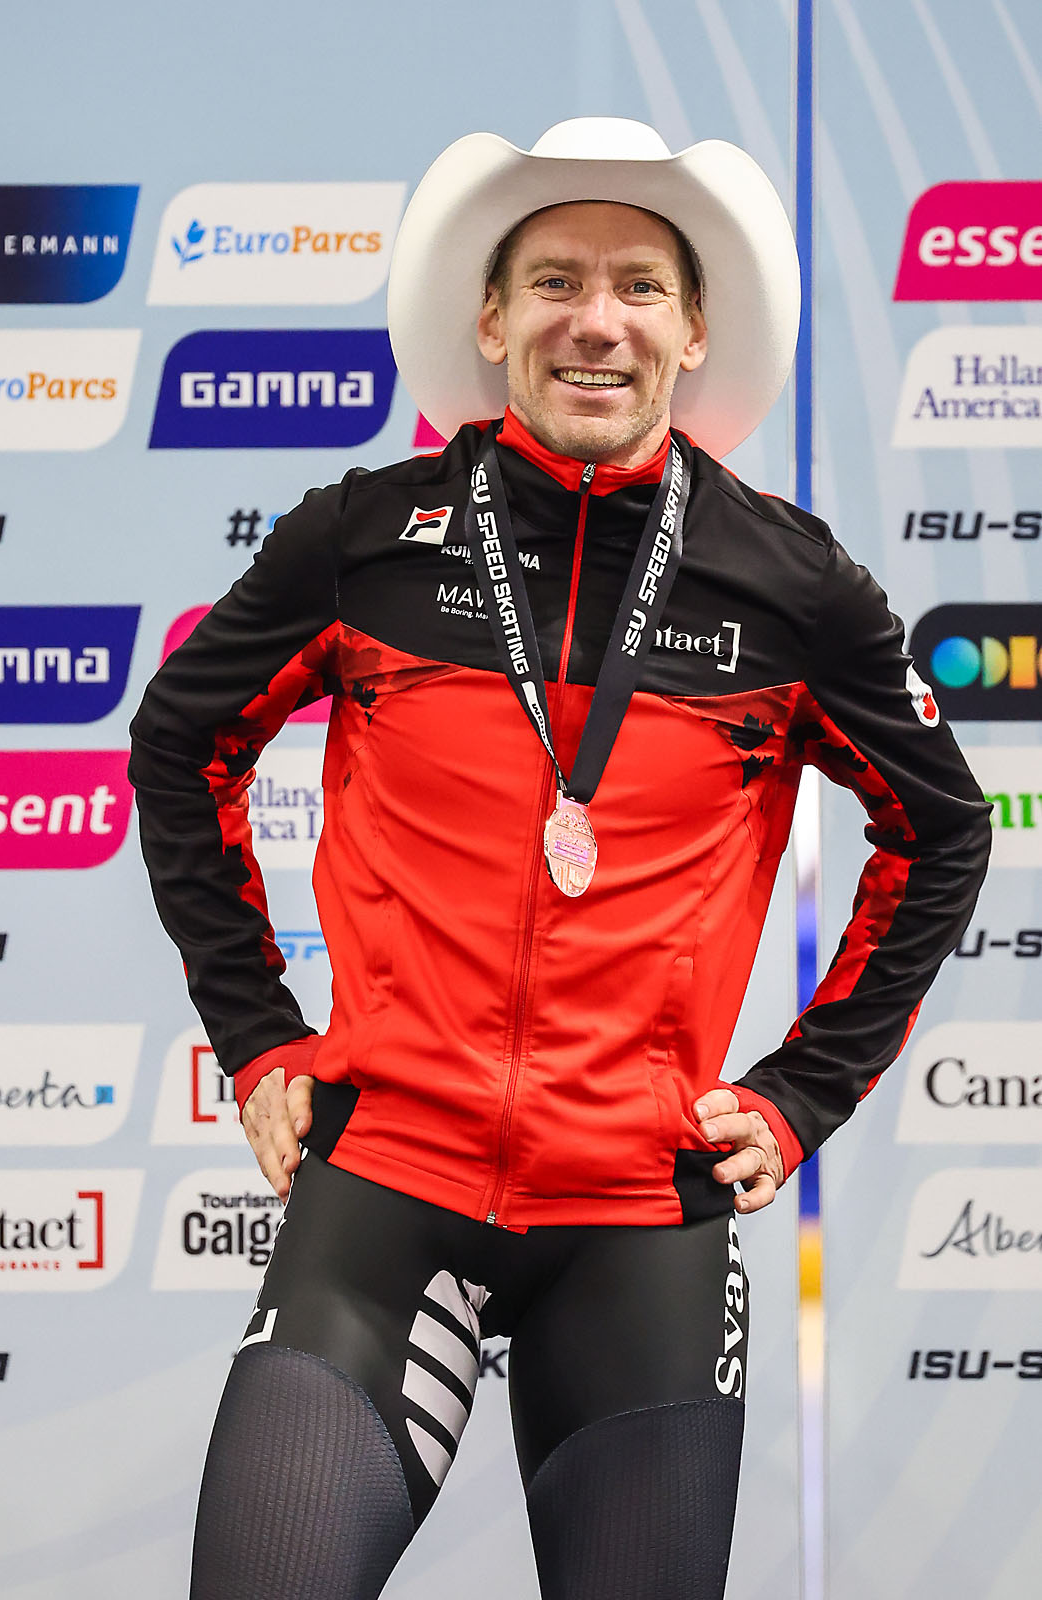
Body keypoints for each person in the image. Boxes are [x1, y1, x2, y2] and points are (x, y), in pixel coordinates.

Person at [129, 118, 991, 1600]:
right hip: (384, 1189)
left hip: (640, 1222)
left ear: (693, 330)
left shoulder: (793, 585)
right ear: (493, 317)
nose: (598, 321)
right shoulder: (364, 537)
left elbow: (942, 830)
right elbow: (179, 744)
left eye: (642, 286)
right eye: (558, 283)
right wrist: (259, 1037)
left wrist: (801, 1096)